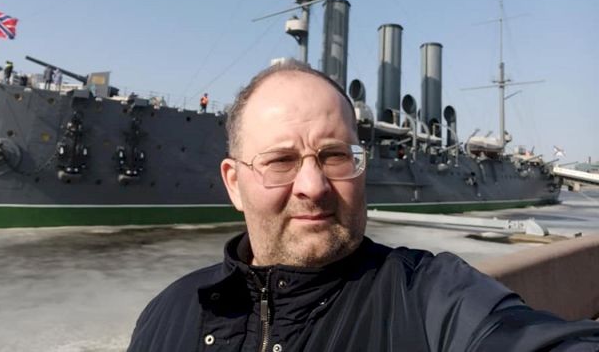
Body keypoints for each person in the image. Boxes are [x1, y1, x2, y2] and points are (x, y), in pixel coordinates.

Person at [128, 60, 599, 351]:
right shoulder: (165, 316)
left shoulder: (430, 297)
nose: (312, 186)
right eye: (280, 161)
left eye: (334, 156)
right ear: (234, 183)